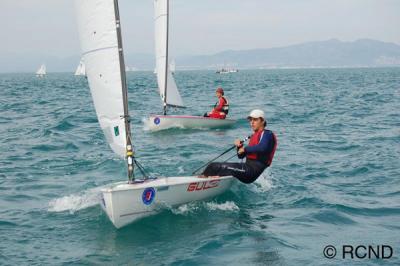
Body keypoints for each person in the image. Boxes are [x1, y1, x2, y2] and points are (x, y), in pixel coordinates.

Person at [202, 109, 277, 184]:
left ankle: (201, 180)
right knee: (214, 167)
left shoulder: (267, 134)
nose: (252, 122)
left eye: (255, 120)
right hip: (246, 169)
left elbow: (263, 147)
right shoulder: (255, 136)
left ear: (262, 121)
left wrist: (245, 149)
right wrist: (239, 147)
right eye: (250, 120)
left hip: (251, 172)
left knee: (215, 166)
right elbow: (240, 156)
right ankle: (205, 179)